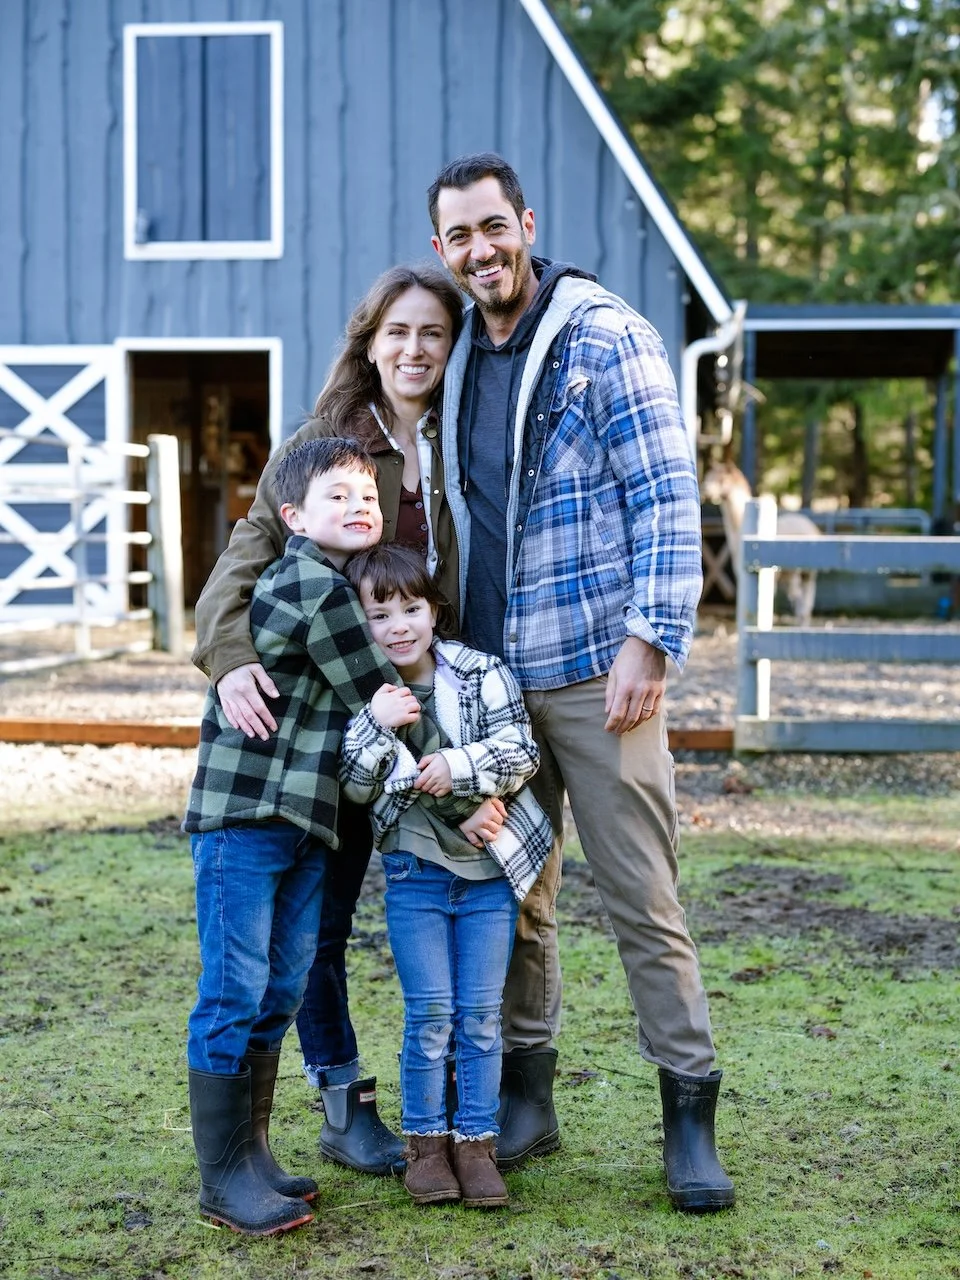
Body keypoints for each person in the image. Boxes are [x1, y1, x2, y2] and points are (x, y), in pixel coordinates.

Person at [427, 152, 734, 1212]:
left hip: (601, 677)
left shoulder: (604, 333)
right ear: (443, 250)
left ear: (527, 222)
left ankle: (688, 1115)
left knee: (643, 897)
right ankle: (528, 1095)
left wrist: (651, 639)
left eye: (493, 227)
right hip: (498, 689)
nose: (481, 249)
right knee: (518, 895)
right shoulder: (463, 354)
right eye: (460, 235)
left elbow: (665, 491)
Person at [191, 264, 463, 1176]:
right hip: (331, 727)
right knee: (321, 925)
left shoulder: (478, 437)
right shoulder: (324, 447)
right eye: (398, 332)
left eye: (434, 332)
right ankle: (340, 1103)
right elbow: (245, 559)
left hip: (438, 705)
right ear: (370, 341)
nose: (415, 349)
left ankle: (480, 1102)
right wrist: (229, 659)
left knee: (467, 896)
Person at [182, 437, 397, 1234]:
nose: (360, 504)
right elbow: (381, 693)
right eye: (338, 495)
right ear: (293, 516)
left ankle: (253, 1156)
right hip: (247, 816)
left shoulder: (332, 583)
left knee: (281, 984)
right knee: (235, 989)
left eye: (369, 493)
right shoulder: (315, 586)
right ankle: (221, 1180)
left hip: (303, 818)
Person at [338, 544, 552, 1208]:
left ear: (434, 611)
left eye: (411, 608)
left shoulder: (481, 673)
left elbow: (522, 751)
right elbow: (353, 782)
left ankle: (476, 1144)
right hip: (415, 877)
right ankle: (427, 1146)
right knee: (429, 1014)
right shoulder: (366, 695)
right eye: (380, 615)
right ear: (362, 623)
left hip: (488, 878)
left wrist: (457, 769)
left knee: (480, 1017)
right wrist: (379, 730)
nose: (399, 626)